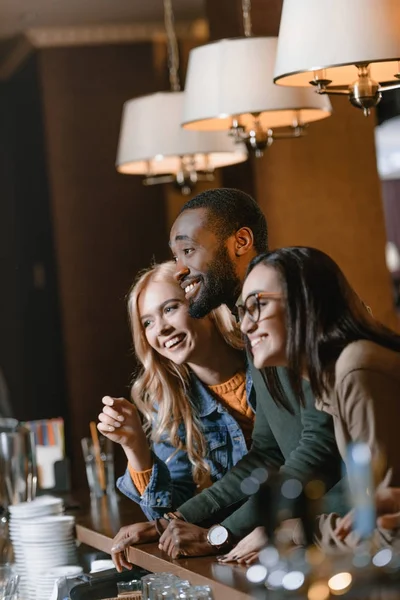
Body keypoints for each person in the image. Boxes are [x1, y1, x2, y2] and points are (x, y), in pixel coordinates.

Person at [111, 188, 345, 565]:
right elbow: (266, 454)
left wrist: (222, 533)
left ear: (241, 242)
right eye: (176, 256)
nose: (181, 269)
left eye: (188, 251)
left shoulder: (291, 312)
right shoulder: (252, 326)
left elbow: (320, 449)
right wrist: (174, 520)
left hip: (350, 534)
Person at [234, 246, 400, 554]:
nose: (245, 325)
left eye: (257, 304)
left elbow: (387, 532)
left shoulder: (356, 368)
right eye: (243, 311)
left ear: (305, 304)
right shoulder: (334, 380)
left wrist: (296, 531)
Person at [97, 261, 255, 537]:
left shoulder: (265, 363)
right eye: (147, 322)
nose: (161, 329)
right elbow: (173, 516)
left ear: (203, 304)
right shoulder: (171, 402)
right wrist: (135, 447)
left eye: (170, 308)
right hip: (235, 547)